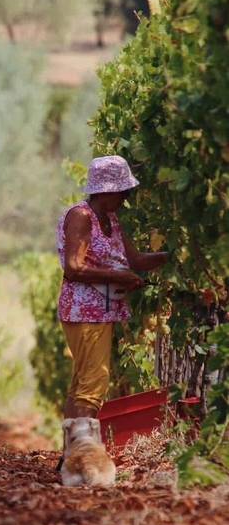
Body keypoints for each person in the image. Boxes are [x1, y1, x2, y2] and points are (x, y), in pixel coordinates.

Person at [57, 155, 168, 423]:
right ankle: (83, 455)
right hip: (84, 312)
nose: (125, 198)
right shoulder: (82, 217)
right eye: (123, 192)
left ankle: (72, 454)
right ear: (106, 190)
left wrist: (175, 255)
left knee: (83, 384)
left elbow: (137, 260)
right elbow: (73, 268)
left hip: (100, 312)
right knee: (94, 385)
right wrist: (119, 278)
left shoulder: (110, 219)